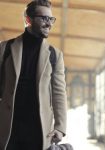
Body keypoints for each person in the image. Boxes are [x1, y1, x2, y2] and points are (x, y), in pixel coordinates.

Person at [0, 0, 67, 150]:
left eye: (51, 19)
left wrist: (60, 127)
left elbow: (59, 93)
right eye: (44, 18)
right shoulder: (5, 49)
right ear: (28, 19)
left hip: (39, 129)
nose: (49, 23)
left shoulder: (55, 55)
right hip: (8, 128)